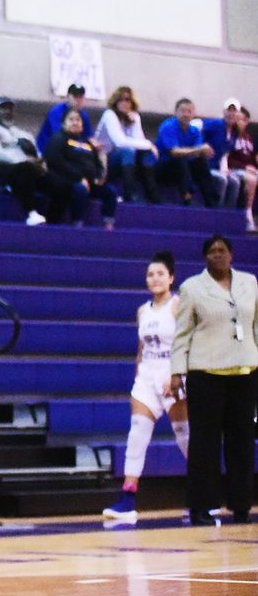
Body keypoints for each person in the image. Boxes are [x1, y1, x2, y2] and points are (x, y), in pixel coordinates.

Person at [171, 235, 257, 526]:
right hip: (205, 374)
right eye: (211, 251)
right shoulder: (192, 288)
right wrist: (175, 372)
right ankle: (201, 507)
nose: (217, 255)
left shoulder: (250, 283)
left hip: (245, 372)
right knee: (204, 444)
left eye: (222, 251)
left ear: (232, 255)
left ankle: (242, 505)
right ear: (205, 257)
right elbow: (181, 334)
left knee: (242, 442)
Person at [102, 253, 188, 523]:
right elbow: (142, 347)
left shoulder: (178, 306)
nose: (155, 278)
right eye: (150, 274)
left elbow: (187, 342)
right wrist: (139, 370)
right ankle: (127, 500)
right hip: (148, 375)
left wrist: (178, 373)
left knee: (185, 437)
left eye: (160, 274)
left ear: (171, 278)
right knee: (137, 435)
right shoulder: (143, 310)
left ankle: (204, 493)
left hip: (173, 374)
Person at [0, 96, 52, 226]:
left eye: (10, 108)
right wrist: (23, 161)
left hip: (29, 169)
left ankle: (55, 216)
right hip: (2, 172)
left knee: (57, 181)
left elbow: (37, 153)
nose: (7, 112)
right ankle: (31, 213)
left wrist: (41, 165)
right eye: (3, 108)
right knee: (25, 169)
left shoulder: (24, 134)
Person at [43, 108, 118, 229]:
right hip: (68, 181)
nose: (75, 122)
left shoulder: (87, 143)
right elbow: (55, 161)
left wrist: (99, 177)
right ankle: (77, 222)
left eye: (78, 119)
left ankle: (108, 223)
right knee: (80, 189)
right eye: (71, 119)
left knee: (110, 190)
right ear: (64, 123)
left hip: (90, 182)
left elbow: (97, 163)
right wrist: (79, 177)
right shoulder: (58, 138)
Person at [93, 86, 160, 203]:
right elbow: (120, 142)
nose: (124, 103)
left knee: (145, 153)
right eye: (121, 100)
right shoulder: (109, 115)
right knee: (128, 150)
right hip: (104, 160)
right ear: (115, 101)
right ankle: (130, 194)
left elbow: (139, 142)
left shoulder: (134, 117)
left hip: (126, 161)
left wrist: (133, 123)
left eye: (127, 100)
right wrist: (150, 144)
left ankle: (152, 194)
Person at [155, 99, 220, 207]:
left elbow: (198, 153)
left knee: (201, 162)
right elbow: (174, 152)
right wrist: (199, 150)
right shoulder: (167, 126)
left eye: (189, 111)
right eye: (182, 111)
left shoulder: (194, 131)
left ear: (193, 114)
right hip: (162, 168)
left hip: (184, 168)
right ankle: (187, 197)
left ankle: (212, 202)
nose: (186, 114)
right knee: (180, 159)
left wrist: (206, 152)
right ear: (175, 112)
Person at [221, 106, 258, 232]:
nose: (239, 122)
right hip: (234, 169)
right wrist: (245, 167)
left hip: (249, 169)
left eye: (242, 119)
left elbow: (252, 158)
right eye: (237, 119)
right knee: (252, 180)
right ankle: (247, 216)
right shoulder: (230, 136)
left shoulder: (249, 138)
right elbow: (226, 157)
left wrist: (253, 167)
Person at [201, 98, 241, 207]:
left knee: (234, 181)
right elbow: (197, 125)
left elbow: (225, 153)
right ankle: (216, 211)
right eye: (229, 110)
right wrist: (202, 145)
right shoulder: (215, 124)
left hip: (218, 167)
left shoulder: (234, 132)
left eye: (234, 111)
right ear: (224, 112)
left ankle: (228, 214)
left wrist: (225, 168)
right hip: (205, 167)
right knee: (222, 180)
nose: (231, 114)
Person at [36, 83, 92, 153]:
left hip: (70, 150)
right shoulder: (56, 112)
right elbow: (59, 138)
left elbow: (88, 136)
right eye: (75, 97)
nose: (78, 100)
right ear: (68, 97)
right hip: (46, 150)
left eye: (80, 97)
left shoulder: (83, 114)